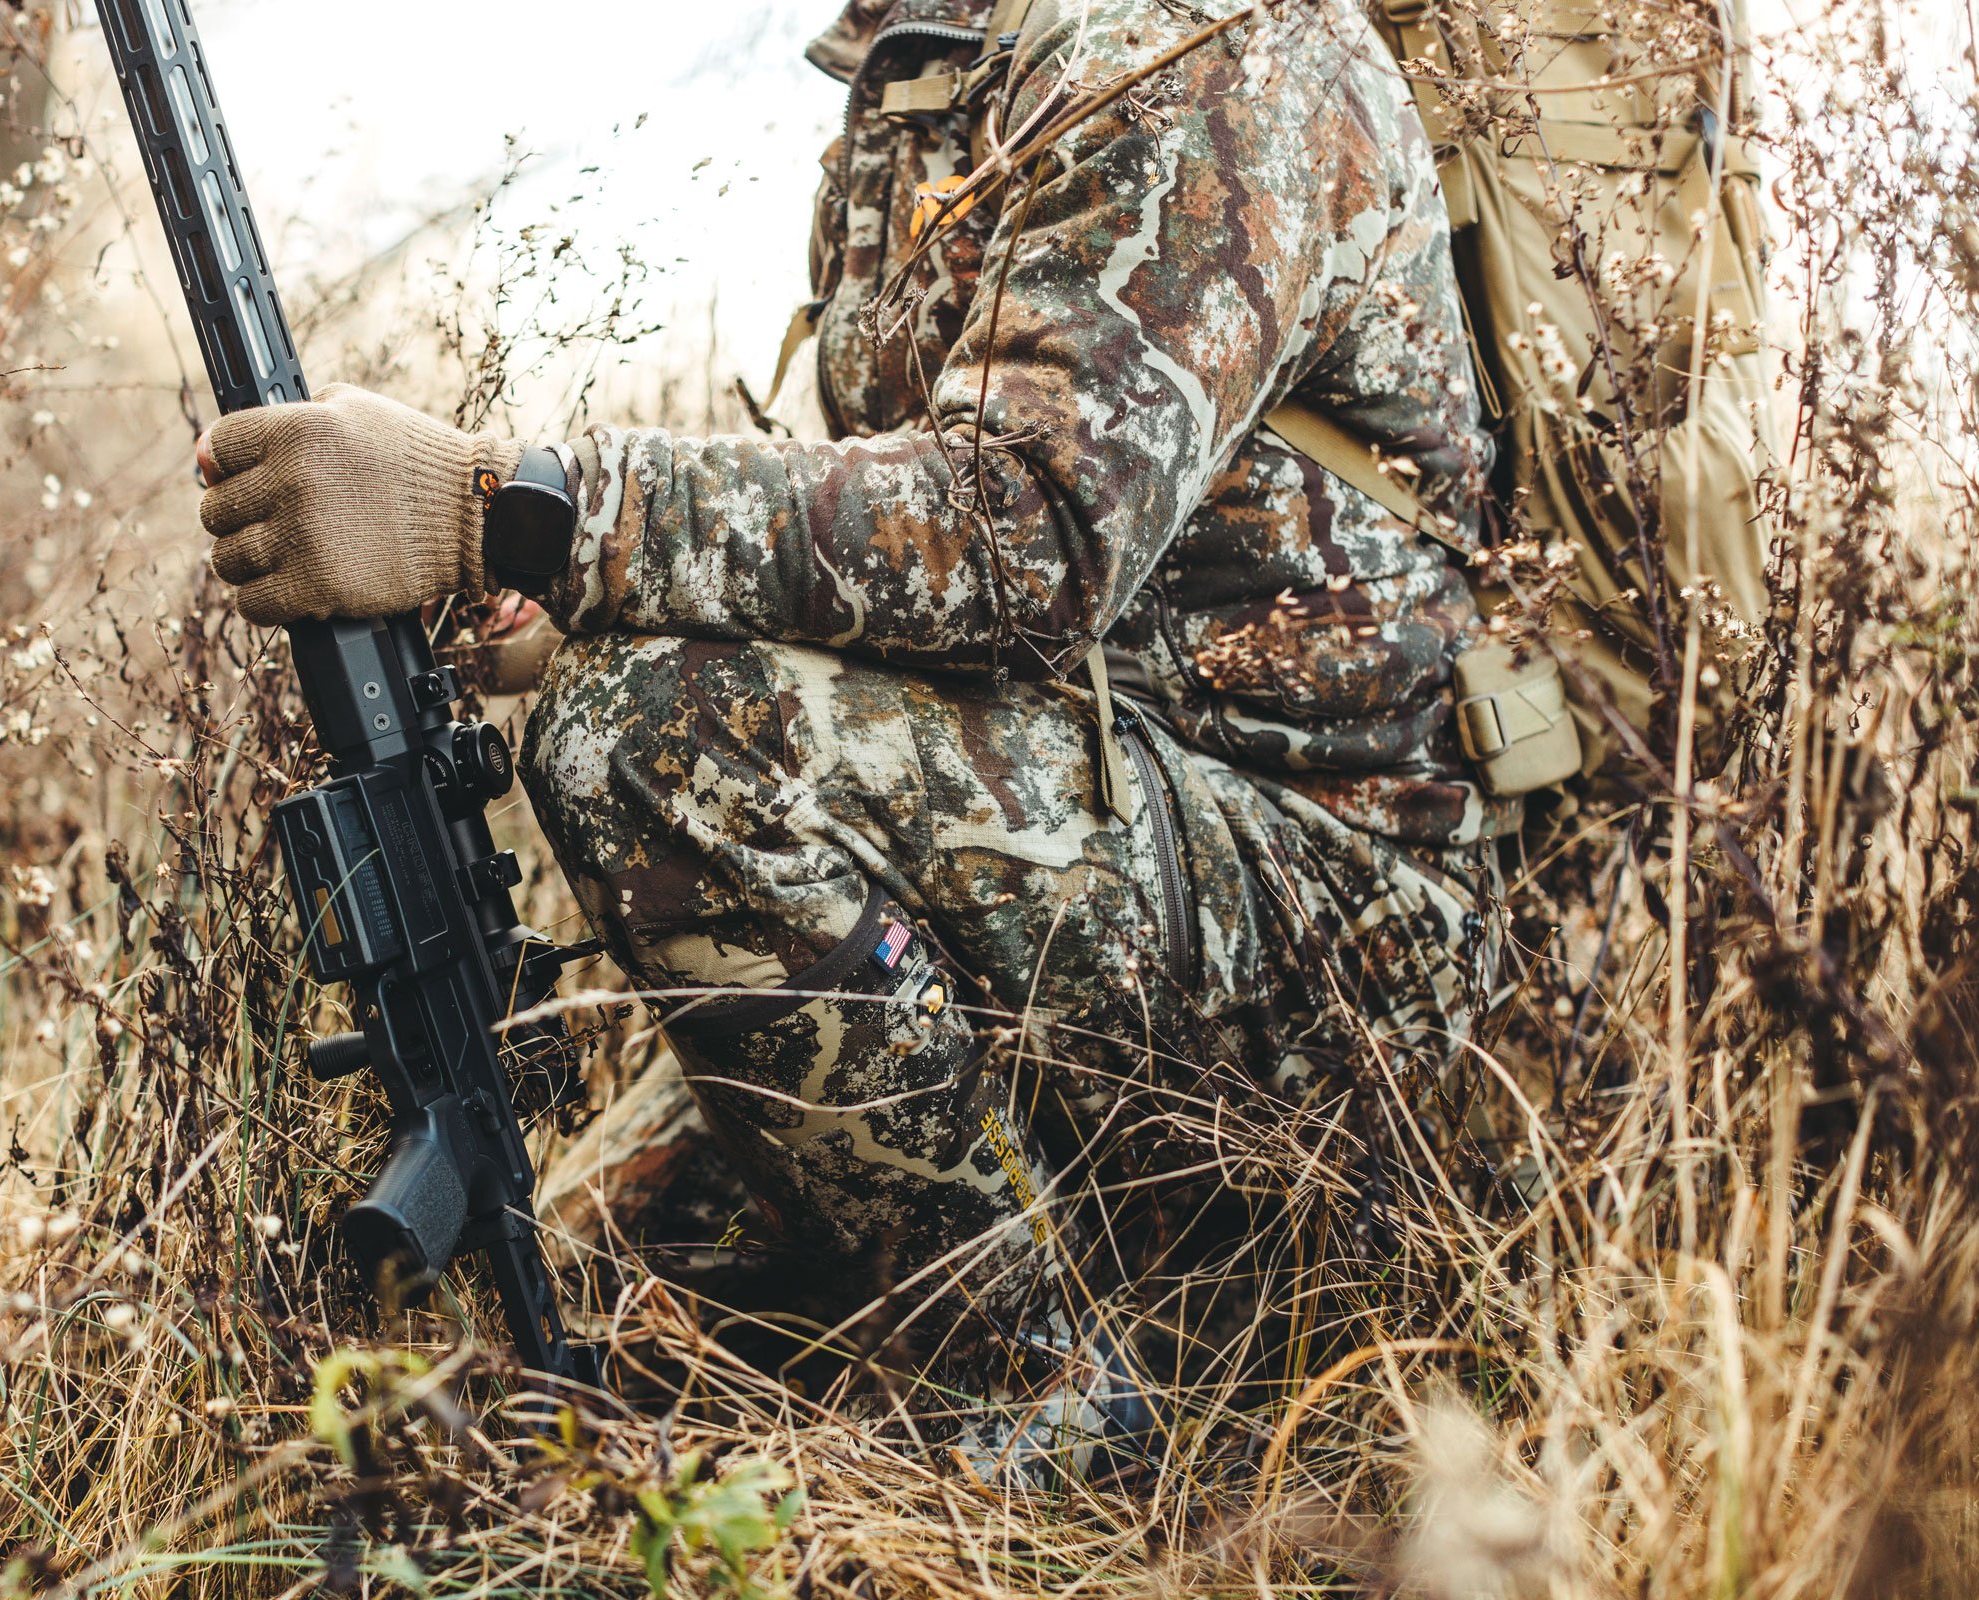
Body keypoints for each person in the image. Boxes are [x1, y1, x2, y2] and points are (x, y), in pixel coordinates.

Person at [193, 0, 1517, 1483]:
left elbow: (1022, 533)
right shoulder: (920, 75)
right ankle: (1064, 1314)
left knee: (657, 740)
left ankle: (1055, 1447)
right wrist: (583, 607)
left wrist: (517, 513)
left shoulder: (1207, 48)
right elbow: (903, 517)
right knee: (608, 1307)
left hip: (1319, 908)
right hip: (1092, 835)